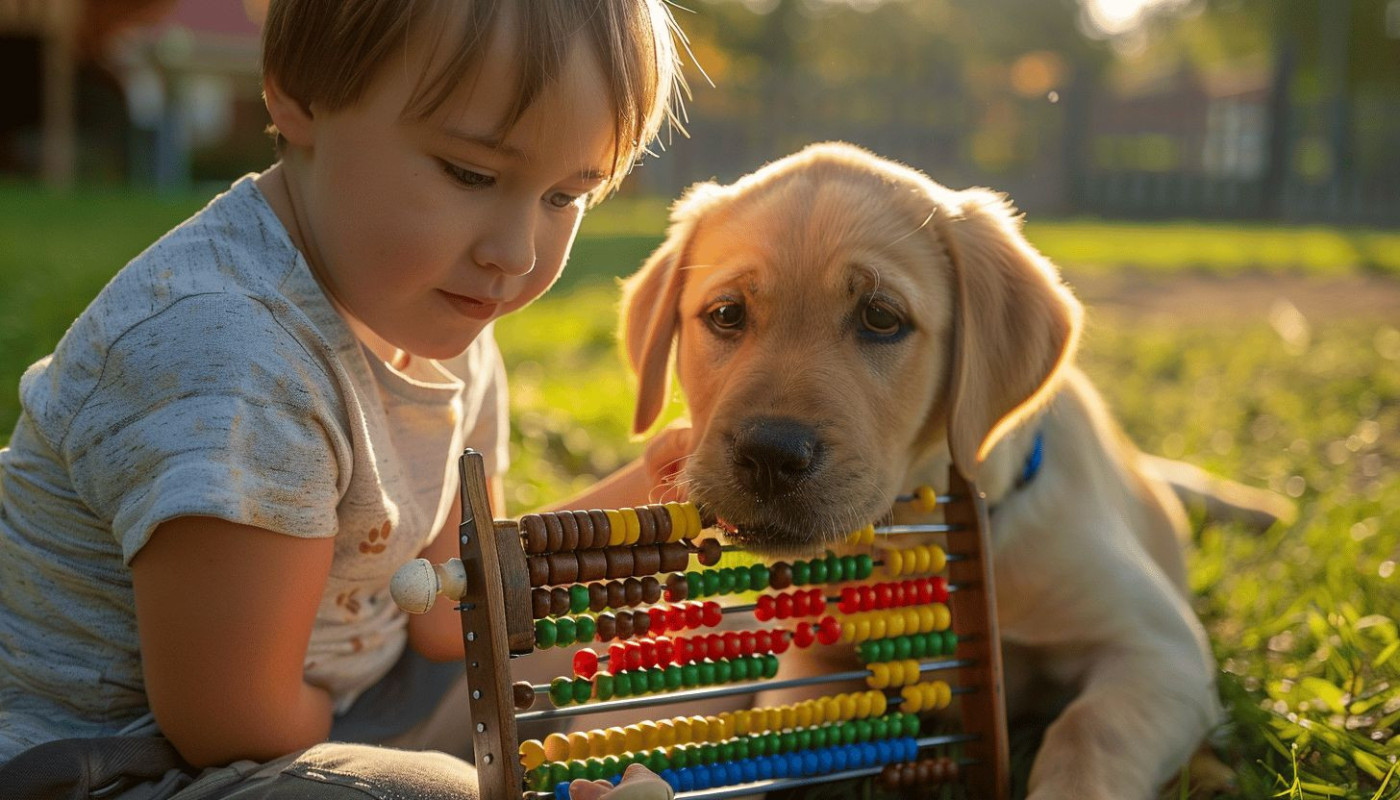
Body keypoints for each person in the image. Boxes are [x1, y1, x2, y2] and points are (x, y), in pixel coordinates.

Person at [0, 1, 689, 798]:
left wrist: (651, 486)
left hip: (342, 704)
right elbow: (231, 722)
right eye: (471, 173)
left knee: (630, 670)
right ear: (299, 97)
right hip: (117, 765)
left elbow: (448, 612)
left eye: (566, 197)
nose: (516, 252)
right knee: (429, 792)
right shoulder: (234, 351)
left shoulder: (446, 310)